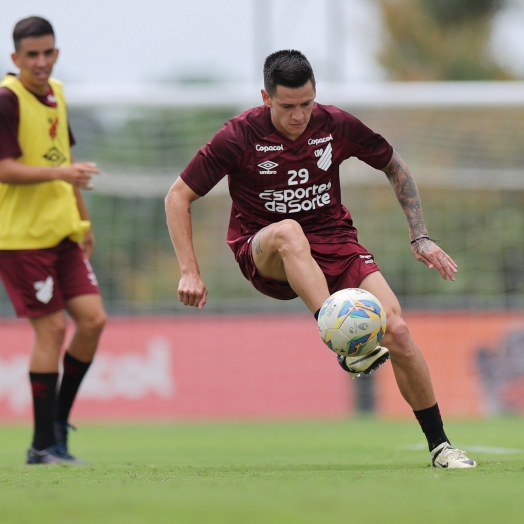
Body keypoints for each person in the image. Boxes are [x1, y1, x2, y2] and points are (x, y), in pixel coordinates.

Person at [165, 49, 476, 469]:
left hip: (334, 239)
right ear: (265, 97)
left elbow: (393, 164)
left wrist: (419, 235)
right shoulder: (238, 136)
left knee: (398, 331)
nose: (298, 116)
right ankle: (338, 335)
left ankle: (440, 447)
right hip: (265, 248)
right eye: (287, 106)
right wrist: (190, 271)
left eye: (306, 104)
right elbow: (178, 196)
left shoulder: (335, 125)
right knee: (290, 232)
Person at [0, 16, 106, 464]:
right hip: (21, 239)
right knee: (53, 329)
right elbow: (4, 169)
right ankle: (42, 444)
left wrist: (82, 221)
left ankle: (57, 424)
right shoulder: (7, 100)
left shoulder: (57, 93)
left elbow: (66, 158)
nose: (41, 62)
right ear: (15, 58)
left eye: (48, 53)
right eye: (32, 55)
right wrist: (63, 173)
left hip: (63, 232)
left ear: (56, 52)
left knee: (93, 321)